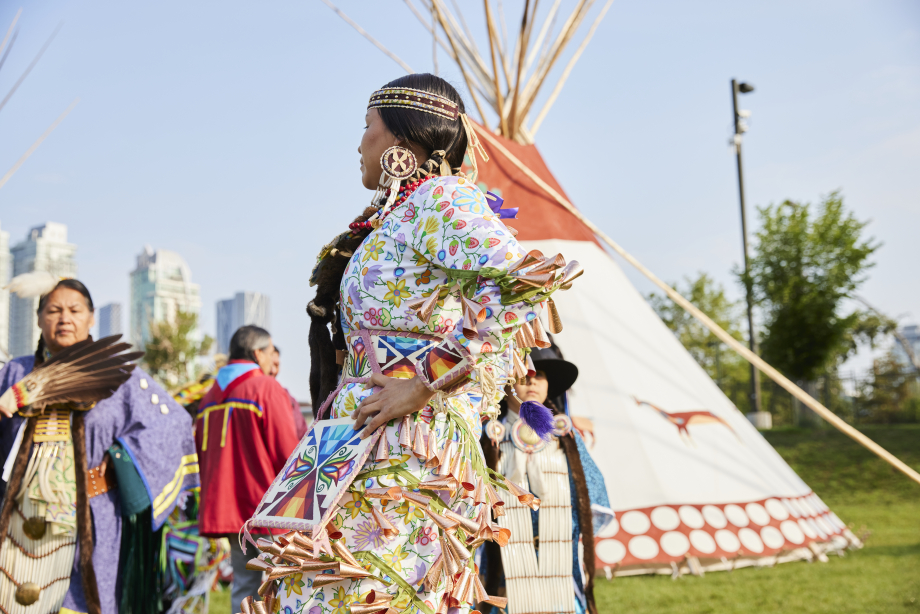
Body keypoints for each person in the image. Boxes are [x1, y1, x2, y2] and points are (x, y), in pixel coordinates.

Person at [243, 73, 581, 614]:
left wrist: (425, 385)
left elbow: (523, 281)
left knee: (377, 595)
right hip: (357, 435)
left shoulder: (441, 200)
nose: (358, 144)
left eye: (367, 128)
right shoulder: (392, 217)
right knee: (321, 591)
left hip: (411, 443)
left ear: (401, 139)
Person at [0, 275, 199, 614]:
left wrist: (123, 455)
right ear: (38, 318)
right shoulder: (13, 373)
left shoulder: (119, 373)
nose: (64, 318)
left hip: (94, 519)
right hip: (19, 519)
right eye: (54, 310)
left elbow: (173, 422)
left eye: (75, 310)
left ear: (91, 317)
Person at [480, 343, 612, 614]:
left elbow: (592, 496)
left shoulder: (567, 438)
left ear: (550, 384)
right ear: (506, 382)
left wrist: (569, 529)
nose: (531, 380)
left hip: (560, 558)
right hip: (506, 562)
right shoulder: (488, 437)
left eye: (539, 374)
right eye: (522, 373)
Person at [194, 325, 301, 614]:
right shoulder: (265, 387)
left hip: (230, 513)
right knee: (291, 582)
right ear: (258, 353)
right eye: (270, 352)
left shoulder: (209, 398)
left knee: (244, 587)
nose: (271, 360)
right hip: (270, 509)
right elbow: (288, 453)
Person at [268, 345, 309, 439]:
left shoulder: (288, 398)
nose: (273, 370)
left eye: (276, 365)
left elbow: (302, 434)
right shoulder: (250, 397)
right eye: (269, 365)